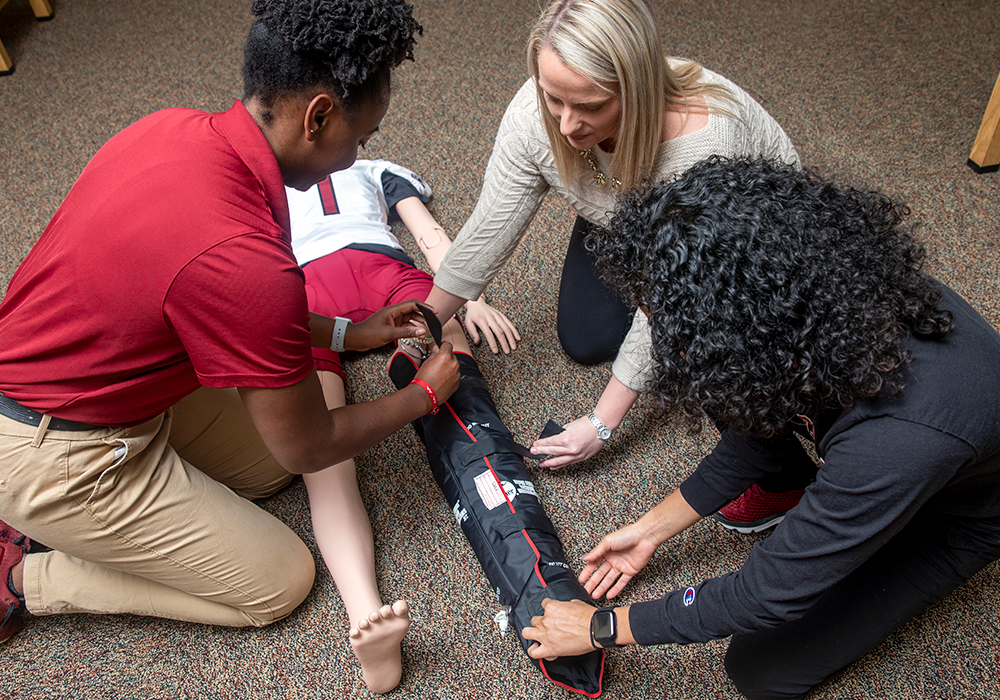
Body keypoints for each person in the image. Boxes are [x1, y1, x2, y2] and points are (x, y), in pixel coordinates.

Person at [0, 0, 462, 660]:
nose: (360, 155)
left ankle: (91, 517)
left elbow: (224, 300)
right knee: (280, 581)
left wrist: (347, 334)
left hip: (99, 388)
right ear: (320, 116)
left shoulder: (175, 128)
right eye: (362, 140)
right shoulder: (246, 257)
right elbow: (309, 444)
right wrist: (423, 396)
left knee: (264, 469)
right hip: (49, 450)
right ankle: (24, 576)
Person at [520, 157, 1000, 700]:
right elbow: (753, 430)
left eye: (663, 319)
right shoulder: (810, 300)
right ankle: (817, 492)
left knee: (762, 669)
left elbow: (766, 593)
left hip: (961, 514)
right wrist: (650, 531)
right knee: (735, 386)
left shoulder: (900, 437)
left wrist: (599, 628)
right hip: (888, 447)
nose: (654, 331)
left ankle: (841, 505)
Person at [420, 0, 799, 471]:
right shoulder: (540, 107)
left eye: (591, 107)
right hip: (624, 204)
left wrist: (600, 424)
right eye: (553, 99)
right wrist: (424, 323)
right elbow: (490, 226)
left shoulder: (707, 147)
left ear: (636, 90)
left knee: (712, 349)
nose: (566, 124)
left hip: (733, 241)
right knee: (586, 340)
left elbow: (671, 295)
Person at [284, 158, 519, 692]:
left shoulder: (368, 165)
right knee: (319, 442)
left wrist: (470, 297)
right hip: (307, 288)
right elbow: (427, 231)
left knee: (445, 331)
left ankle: (474, 445)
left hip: (359, 270)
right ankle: (364, 615)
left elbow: (426, 230)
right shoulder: (272, 174)